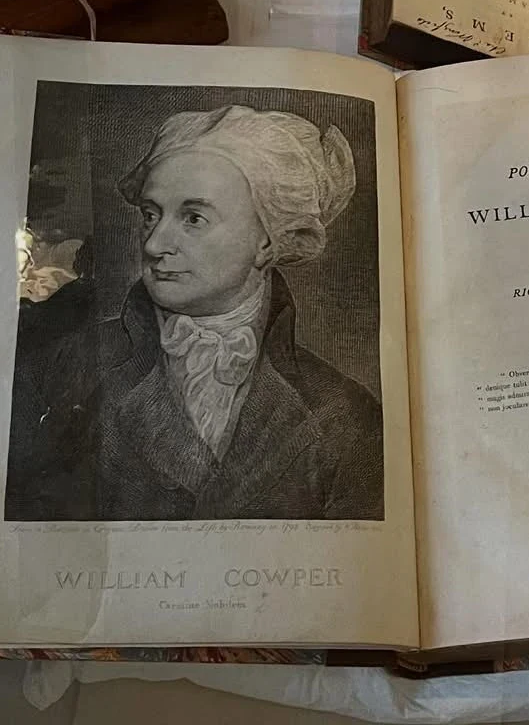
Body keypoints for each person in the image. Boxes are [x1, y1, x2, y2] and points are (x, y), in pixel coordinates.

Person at [5, 105, 384, 522]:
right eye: (151, 215)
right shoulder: (65, 368)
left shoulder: (343, 413)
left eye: (193, 218)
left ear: (266, 242)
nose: (154, 245)